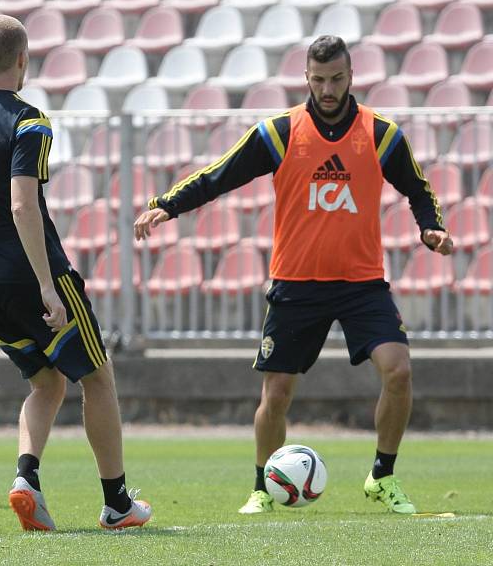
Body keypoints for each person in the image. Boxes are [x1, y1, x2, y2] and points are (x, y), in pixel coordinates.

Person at [134, 35, 453, 515]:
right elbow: (220, 174)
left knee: (400, 371)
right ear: (306, 77)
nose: (328, 89)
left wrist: (432, 228)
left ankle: (382, 477)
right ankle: (262, 487)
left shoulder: (381, 134)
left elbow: (418, 188)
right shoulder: (280, 132)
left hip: (362, 283)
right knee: (277, 393)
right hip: (296, 283)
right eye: (319, 79)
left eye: (337, 79)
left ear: (351, 77)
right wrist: (167, 205)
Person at [0, 15, 152, 531]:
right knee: (98, 378)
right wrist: (46, 284)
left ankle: (27, 480)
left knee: (46, 383)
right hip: (28, 273)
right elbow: (23, 206)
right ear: (22, 60)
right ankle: (117, 503)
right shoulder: (29, 120)